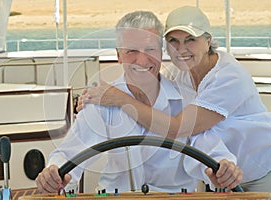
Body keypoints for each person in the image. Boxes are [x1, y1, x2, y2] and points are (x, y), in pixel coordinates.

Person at [36, 10, 242, 194]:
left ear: (161, 53)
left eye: (150, 50)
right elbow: (69, 153)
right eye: (131, 51)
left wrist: (223, 169)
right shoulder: (99, 102)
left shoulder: (187, 100)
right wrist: (54, 173)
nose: (142, 61)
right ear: (118, 56)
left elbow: (212, 152)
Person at [79, 6, 271, 192]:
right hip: (220, 170)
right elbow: (155, 89)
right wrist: (91, 98)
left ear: (208, 41)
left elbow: (177, 128)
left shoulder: (229, 78)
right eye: (173, 41)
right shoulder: (183, 74)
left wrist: (119, 98)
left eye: (190, 40)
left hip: (261, 171)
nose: (181, 49)